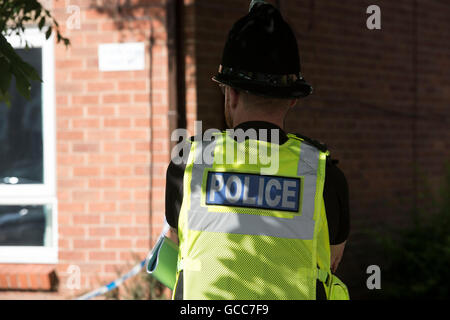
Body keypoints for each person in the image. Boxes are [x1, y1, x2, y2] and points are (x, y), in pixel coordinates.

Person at [165, 0, 350, 300]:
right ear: (292, 99)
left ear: (231, 93)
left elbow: (177, 246)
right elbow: (329, 262)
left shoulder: (187, 163)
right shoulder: (326, 176)